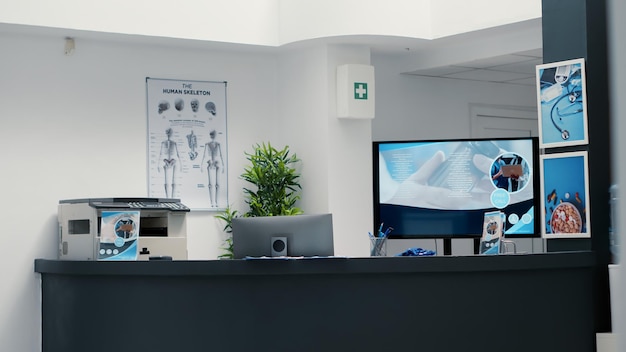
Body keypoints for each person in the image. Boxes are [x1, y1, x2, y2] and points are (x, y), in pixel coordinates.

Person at [201, 130, 224, 207]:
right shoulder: (207, 144)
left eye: (213, 135)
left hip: (216, 164)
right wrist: (202, 165)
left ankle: (216, 202)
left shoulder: (218, 144)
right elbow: (204, 155)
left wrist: (223, 166)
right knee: (210, 184)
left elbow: (220, 155)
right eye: (211, 135)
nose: (212, 136)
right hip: (210, 164)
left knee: (216, 184)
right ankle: (211, 202)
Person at [158, 128, 181, 198]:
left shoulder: (174, 143)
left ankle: (172, 198)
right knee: (166, 182)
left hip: (173, 163)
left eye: (169, 133)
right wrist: (159, 164)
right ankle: (167, 198)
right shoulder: (163, 143)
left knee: (173, 182)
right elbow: (161, 154)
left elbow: (177, 154)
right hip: (165, 163)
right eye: (167, 133)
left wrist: (179, 164)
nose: (168, 134)